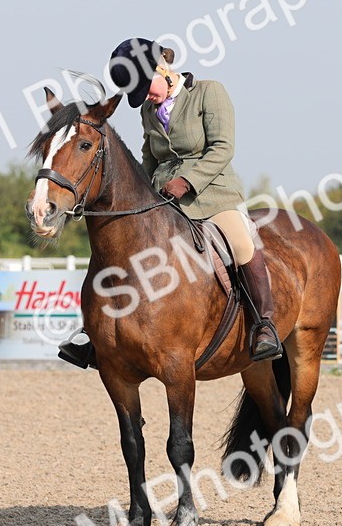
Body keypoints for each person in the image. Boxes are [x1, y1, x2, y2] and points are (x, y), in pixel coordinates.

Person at [58, 37, 282, 368]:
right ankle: (95, 332)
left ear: (162, 68)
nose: (145, 98)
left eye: (145, 88)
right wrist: (142, 193)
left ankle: (263, 325)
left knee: (241, 242)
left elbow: (222, 147)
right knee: (121, 248)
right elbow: (150, 156)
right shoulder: (149, 110)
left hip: (213, 195)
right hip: (163, 199)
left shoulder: (209, 92)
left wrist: (188, 181)